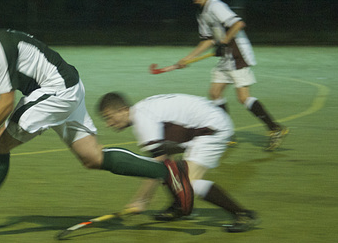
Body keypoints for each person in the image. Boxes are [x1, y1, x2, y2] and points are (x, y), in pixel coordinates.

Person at [0, 0, 193, 229]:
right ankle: (169, 172)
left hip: (57, 89)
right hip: (66, 88)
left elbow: (5, 103)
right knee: (92, 157)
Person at [98, 91, 260, 233]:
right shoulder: (142, 111)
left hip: (211, 128)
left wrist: (142, 200)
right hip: (205, 123)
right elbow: (164, 158)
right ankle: (179, 207)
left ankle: (243, 214)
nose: (108, 124)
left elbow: (156, 166)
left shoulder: (142, 120)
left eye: (109, 118)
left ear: (123, 110)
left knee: (187, 181)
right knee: (172, 170)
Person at [176, 0, 287, 151]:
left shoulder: (216, 6)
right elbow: (208, 40)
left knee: (243, 97)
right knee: (215, 92)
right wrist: (187, 58)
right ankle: (227, 133)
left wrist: (225, 41)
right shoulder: (201, 12)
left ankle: (275, 129)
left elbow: (238, 24)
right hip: (226, 56)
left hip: (237, 54)